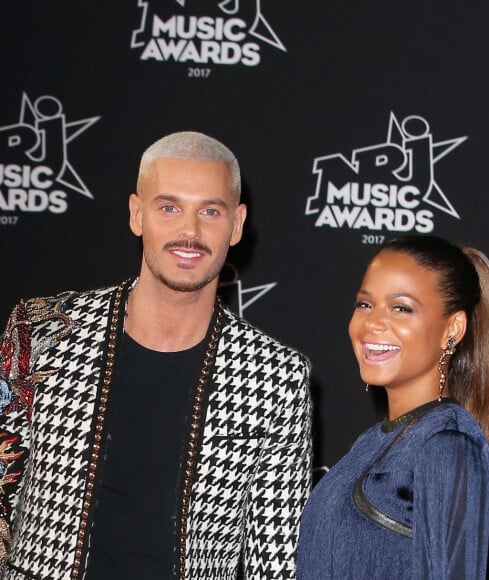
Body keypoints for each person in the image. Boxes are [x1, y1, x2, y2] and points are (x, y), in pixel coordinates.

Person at [0, 131, 311, 579]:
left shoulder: (275, 377)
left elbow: (277, 564)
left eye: (210, 211)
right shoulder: (43, 329)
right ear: (136, 213)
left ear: (237, 224)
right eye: (169, 207)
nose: (190, 231)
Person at [297, 235, 489, 579]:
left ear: (451, 329)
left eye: (401, 308)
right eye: (364, 304)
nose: (373, 323)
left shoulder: (448, 443)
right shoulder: (374, 441)